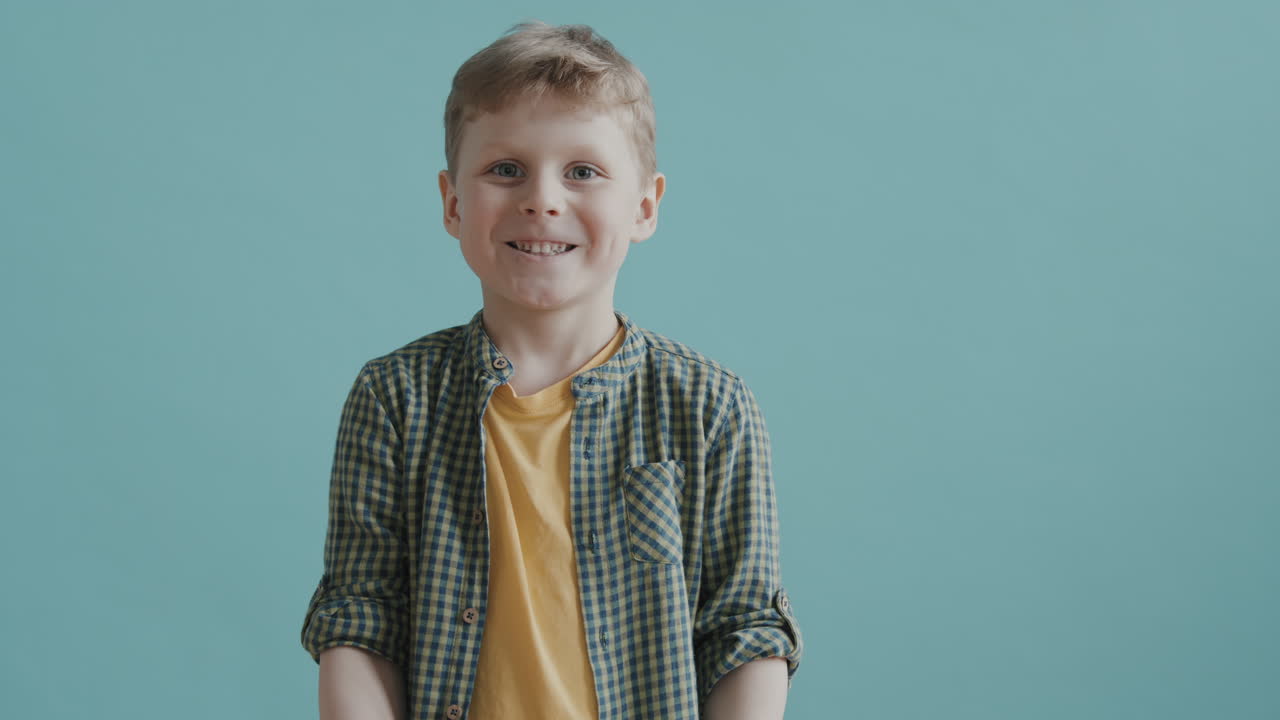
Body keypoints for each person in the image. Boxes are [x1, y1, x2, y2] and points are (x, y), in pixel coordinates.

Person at [300, 20, 803, 720]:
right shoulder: (394, 398)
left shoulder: (710, 407)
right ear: (452, 202)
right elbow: (359, 619)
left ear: (645, 205)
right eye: (505, 169)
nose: (542, 199)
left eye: (583, 172)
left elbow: (744, 632)